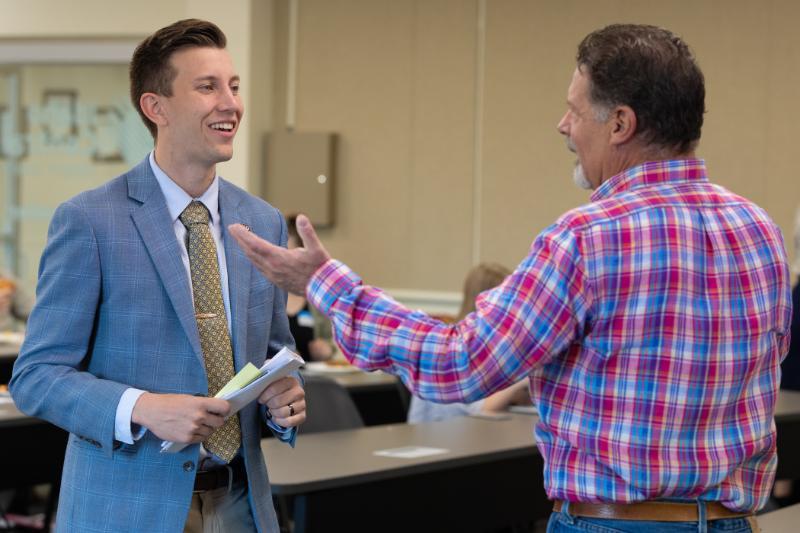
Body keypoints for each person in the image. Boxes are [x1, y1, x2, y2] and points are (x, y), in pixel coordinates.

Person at [230, 23, 791, 532]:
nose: (563, 125)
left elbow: (460, 363)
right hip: (731, 522)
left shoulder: (586, 238)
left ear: (621, 123)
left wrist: (325, 282)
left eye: (576, 110)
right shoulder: (758, 230)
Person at [10, 19, 305, 533]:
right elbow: (36, 377)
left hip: (240, 504)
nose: (231, 103)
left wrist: (284, 398)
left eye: (234, 87)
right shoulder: (90, 221)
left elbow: (275, 356)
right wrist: (142, 407)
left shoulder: (261, 222)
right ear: (156, 107)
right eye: (208, 87)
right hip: (127, 509)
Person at [407, 263, 529, 423]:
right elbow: (483, 409)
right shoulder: (453, 347)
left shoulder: (489, 345)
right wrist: (524, 378)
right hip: (434, 436)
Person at [284, 213, 335, 362]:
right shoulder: (265, 296)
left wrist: (326, 349)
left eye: (289, 255)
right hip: (277, 381)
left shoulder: (318, 297)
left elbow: (333, 341)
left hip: (313, 379)